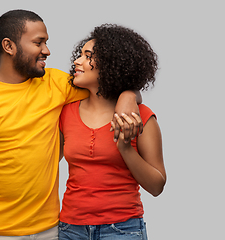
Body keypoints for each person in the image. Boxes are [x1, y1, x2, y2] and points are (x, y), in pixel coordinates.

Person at [0, 10, 142, 240]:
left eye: (46, 42)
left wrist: (129, 94)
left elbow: (107, 82)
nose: (46, 51)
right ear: (9, 46)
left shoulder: (57, 84)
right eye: (38, 42)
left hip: (53, 230)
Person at [58, 24, 166, 240]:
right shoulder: (65, 112)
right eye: (79, 55)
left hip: (122, 229)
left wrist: (125, 147)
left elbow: (156, 186)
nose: (76, 62)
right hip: (70, 229)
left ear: (111, 65)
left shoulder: (142, 117)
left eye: (87, 56)